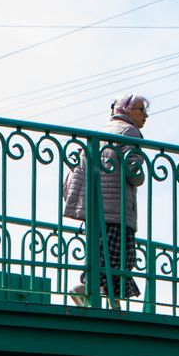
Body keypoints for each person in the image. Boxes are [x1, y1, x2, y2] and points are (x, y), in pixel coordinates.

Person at [61, 94, 148, 308]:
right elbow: (134, 172)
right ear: (127, 111)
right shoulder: (131, 132)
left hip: (95, 207)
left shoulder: (102, 131)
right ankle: (108, 299)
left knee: (100, 253)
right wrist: (141, 176)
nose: (145, 115)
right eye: (140, 110)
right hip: (117, 208)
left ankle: (93, 291)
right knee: (121, 257)